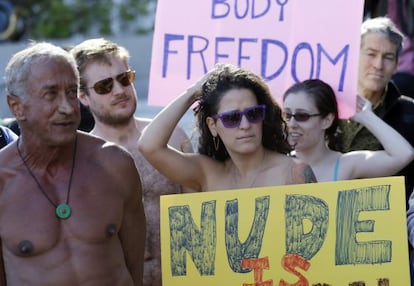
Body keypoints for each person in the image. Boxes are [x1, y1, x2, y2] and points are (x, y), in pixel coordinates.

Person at [0, 42, 146, 285]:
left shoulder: (115, 165)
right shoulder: (3, 182)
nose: (67, 108)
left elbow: (134, 268)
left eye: (71, 93)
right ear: (17, 107)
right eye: (51, 95)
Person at [70, 38, 193, 286]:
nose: (119, 90)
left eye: (124, 78)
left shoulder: (173, 137)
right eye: (105, 86)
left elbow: (200, 212)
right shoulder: (80, 158)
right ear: (83, 96)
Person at [138, 64, 317, 193]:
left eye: (253, 114)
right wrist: (192, 92)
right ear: (212, 125)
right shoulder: (207, 174)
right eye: (232, 118)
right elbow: (149, 145)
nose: (245, 125)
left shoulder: (295, 172)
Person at [339, 16, 414, 210]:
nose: (378, 65)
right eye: (371, 54)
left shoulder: (410, 113)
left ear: (397, 64)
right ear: (355, 53)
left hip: (385, 221)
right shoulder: (325, 105)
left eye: (388, 57)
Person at [283, 78, 414, 182]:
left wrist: (366, 116)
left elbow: (403, 154)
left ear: (327, 120)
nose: (292, 123)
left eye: (302, 116)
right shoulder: (274, 164)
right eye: (287, 115)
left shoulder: (345, 165)